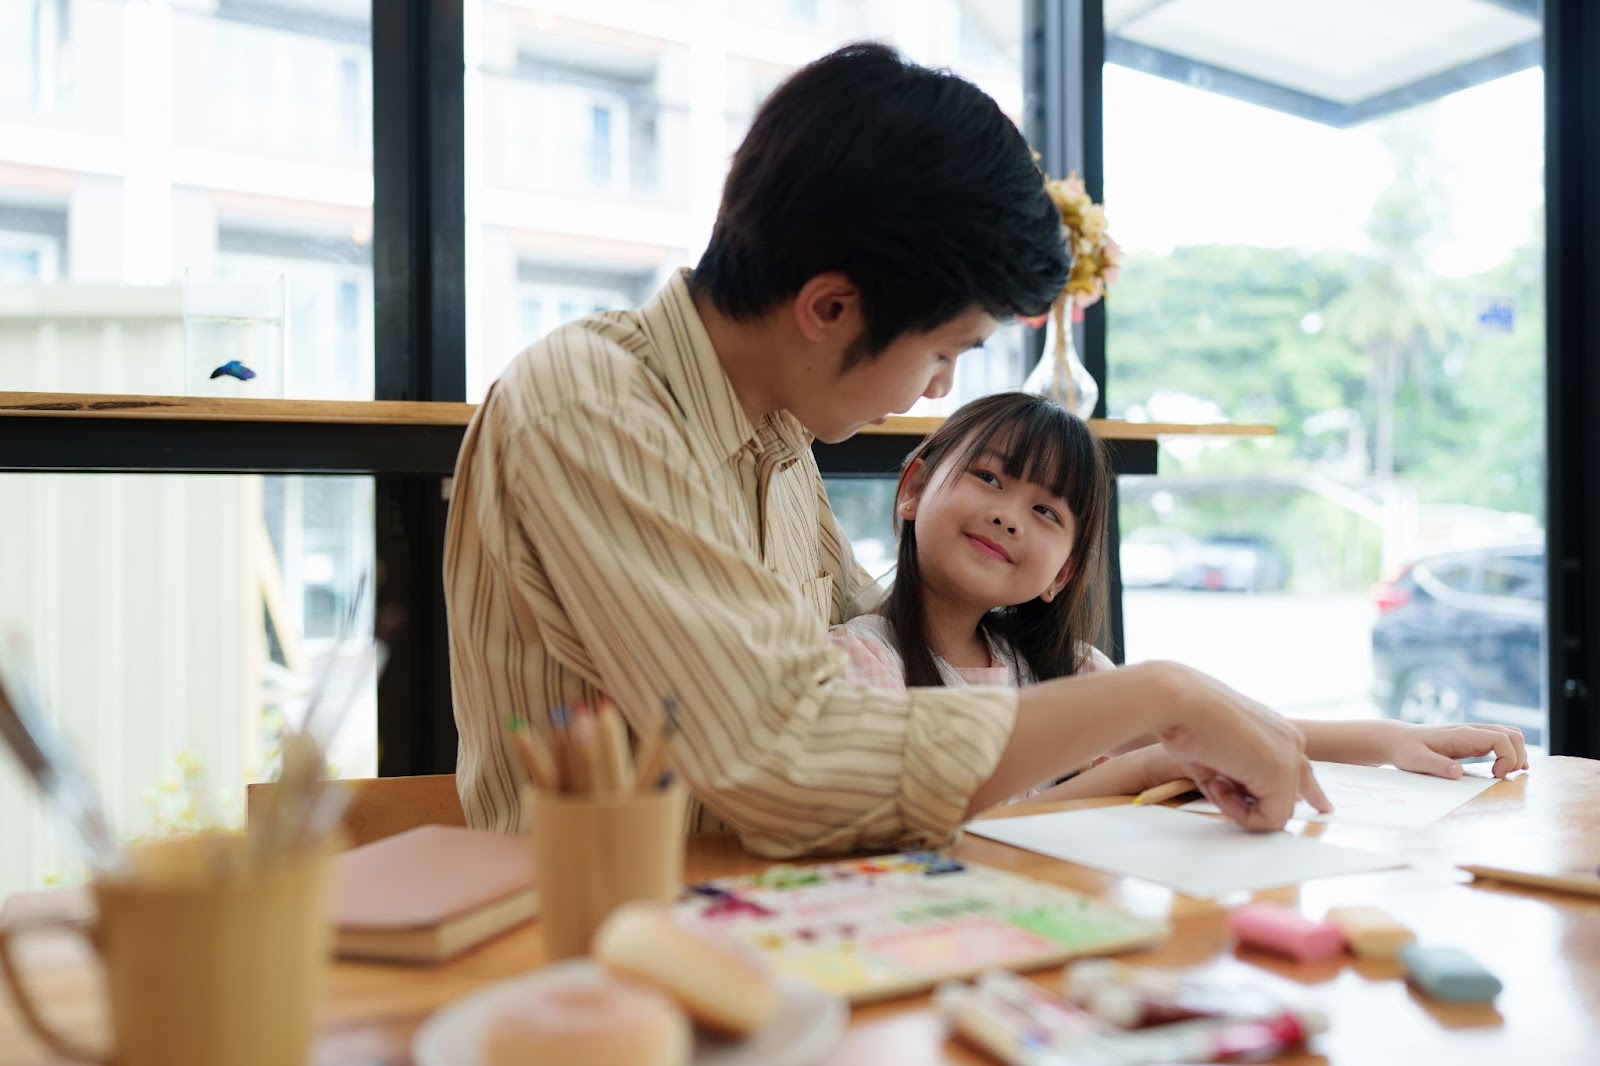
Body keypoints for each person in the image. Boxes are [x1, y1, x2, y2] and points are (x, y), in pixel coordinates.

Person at [446, 41, 1333, 861]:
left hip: (767, 908)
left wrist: (1261, 729)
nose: (942, 388)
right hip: (593, 933)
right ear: (831, 309)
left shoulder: (773, 433)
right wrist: (1162, 698)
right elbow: (791, 756)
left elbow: (897, 679)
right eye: (945, 351)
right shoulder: (591, 404)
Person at [830, 391, 1530, 803]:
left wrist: (1393, 740)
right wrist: (1149, 767)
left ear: (1063, 573)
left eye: (1047, 512)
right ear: (914, 489)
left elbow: (1231, 725)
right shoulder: (863, 663)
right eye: (989, 479)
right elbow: (938, 820)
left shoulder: (1067, 671)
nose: (1010, 515)